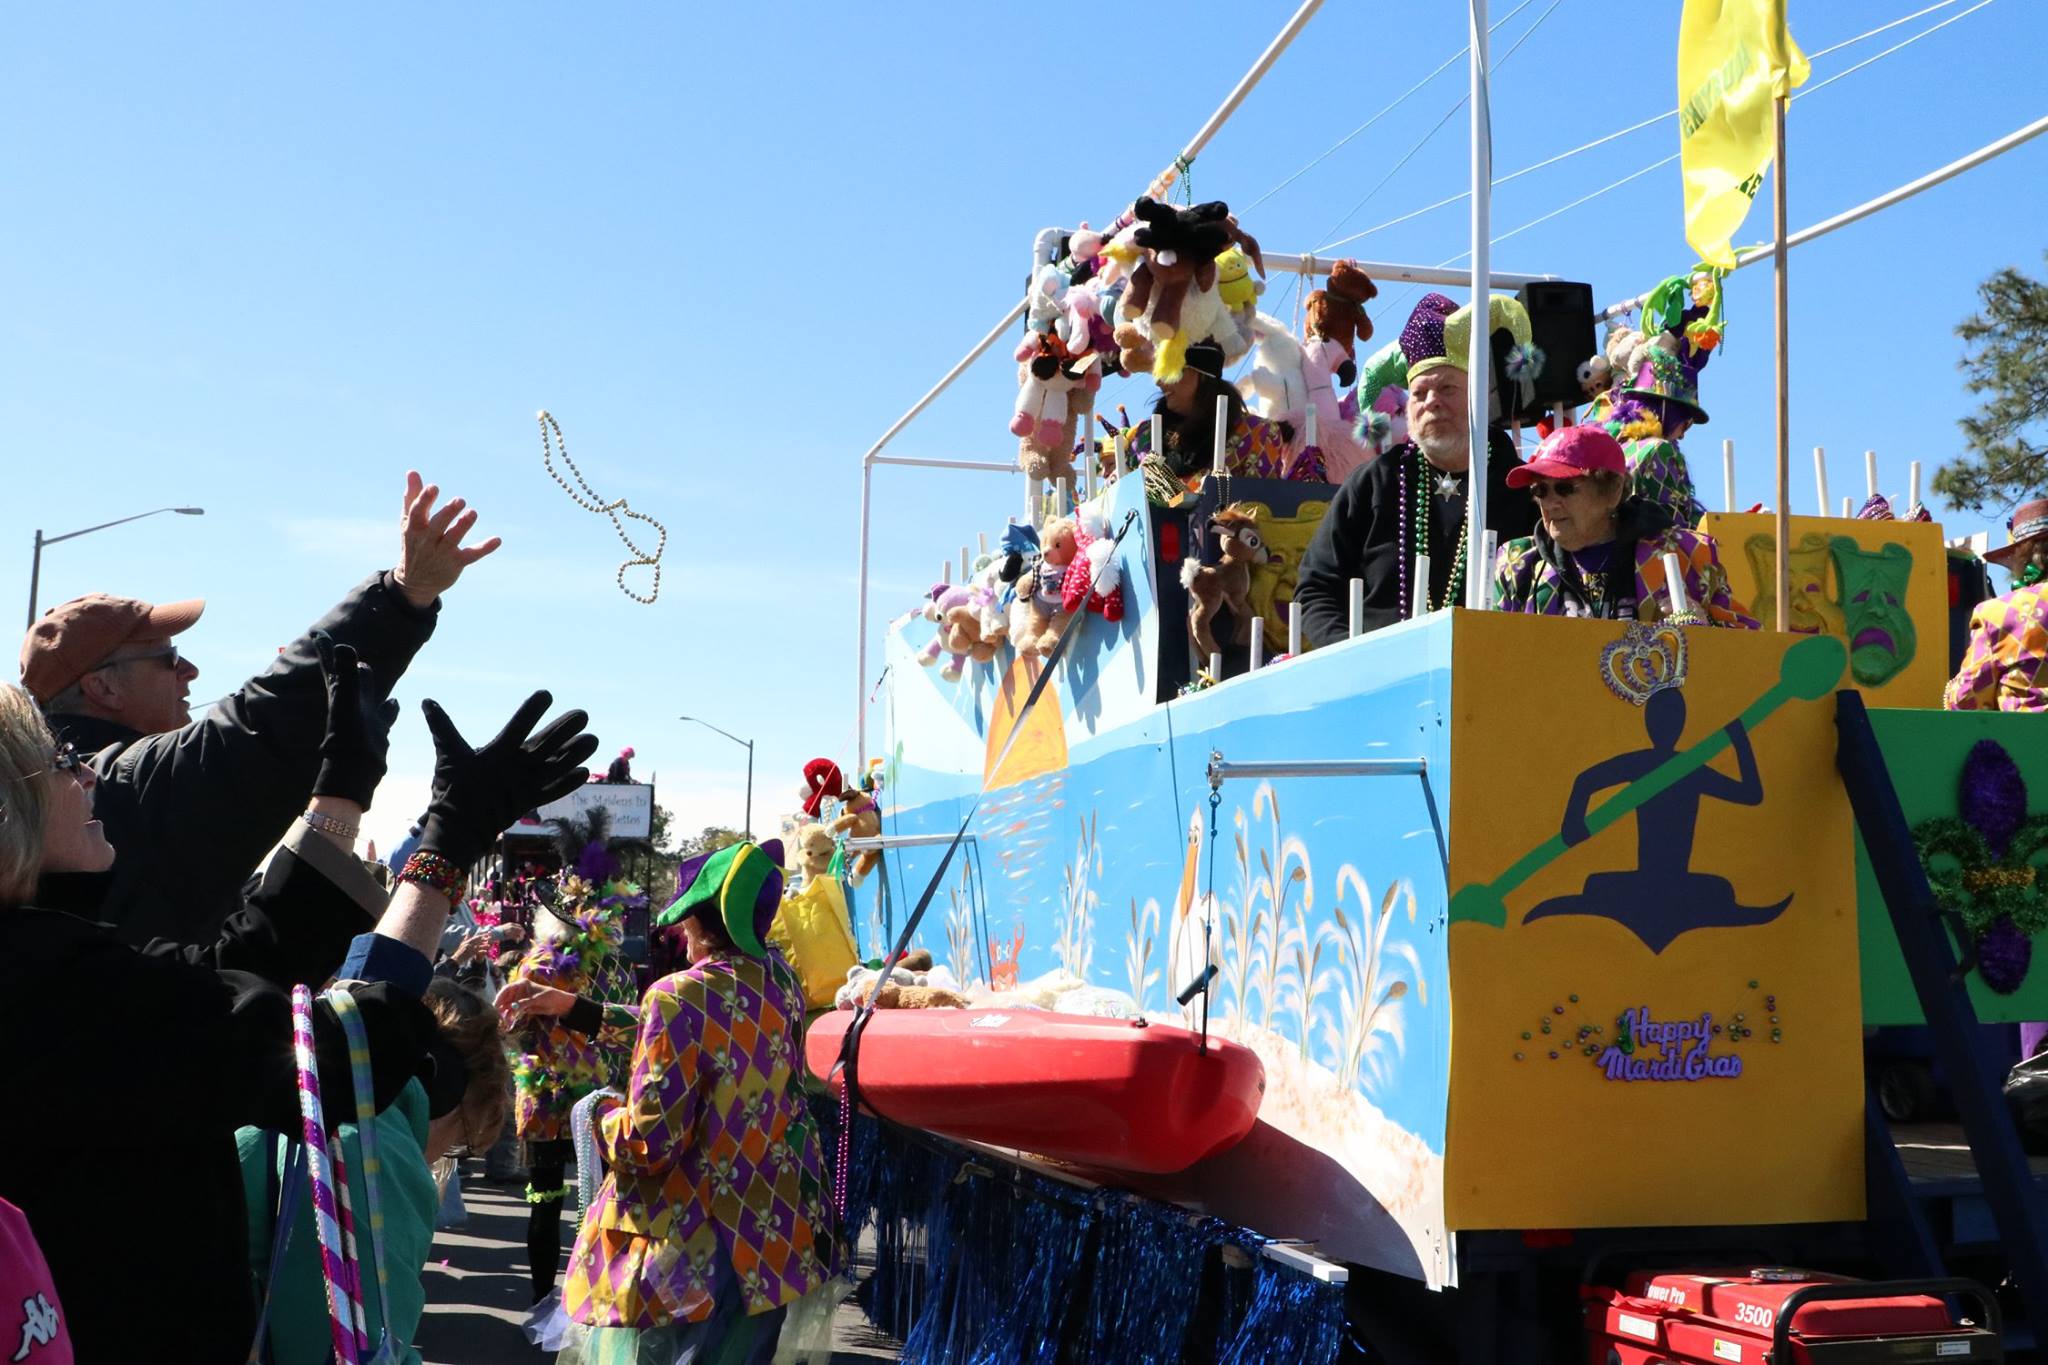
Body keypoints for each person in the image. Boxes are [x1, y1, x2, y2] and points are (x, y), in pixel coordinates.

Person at [19, 471, 500, 945]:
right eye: (168, 659)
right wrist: (402, 593)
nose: (189, 671)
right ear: (103, 687)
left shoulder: (48, 798)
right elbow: (263, 722)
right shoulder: (119, 783)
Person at [510, 838, 834, 1364]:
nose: (679, 931)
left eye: (686, 919)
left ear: (705, 923)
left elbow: (648, 1142)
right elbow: (716, 1039)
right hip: (774, 1238)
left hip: (695, 1252)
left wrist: (596, 1115)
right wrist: (577, 1009)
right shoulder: (780, 980)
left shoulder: (677, 996)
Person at [237, 978, 513, 1365]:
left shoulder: (307, 1094)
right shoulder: (376, 1150)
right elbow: (355, 1349)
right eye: (459, 1143)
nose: (438, 1159)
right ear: (448, 1093)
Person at [1294, 295, 1540, 645]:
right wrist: (1349, 657)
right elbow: (1316, 587)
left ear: (1481, 395)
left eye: (1447, 388)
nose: (1431, 402)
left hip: (1492, 675)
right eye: (1419, 393)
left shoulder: (1525, 488)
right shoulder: (1373, 483)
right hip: (1382, 680)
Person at [503, 871, 642, 1304]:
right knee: (603, 1204)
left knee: (544, 1200)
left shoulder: (540, 964)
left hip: (548, 1097)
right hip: (603, 1100)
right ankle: (593, 1305)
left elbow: (514, 1028)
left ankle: (543, 1303)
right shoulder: (618, 964)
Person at [1490, 426, 1757, 626]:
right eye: (1540, 491)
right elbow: (1489, 653)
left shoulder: (1688, 554)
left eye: (1564, 488)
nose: (1550, 503)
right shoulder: (1518, 566)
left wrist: (1707, 629)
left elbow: (1748, 651)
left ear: (1612, 491)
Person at [1124, 339, 1313, 502]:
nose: (1159, 382)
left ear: (1200, 373)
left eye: (1169, 370)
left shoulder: (1257, 432)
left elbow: (1261, 509)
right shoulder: (1146, 436)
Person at [1946, 496, 2048, 712]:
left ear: (2022, 556)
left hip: (2027, 742)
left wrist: (1949, 691)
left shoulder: (1998, 613)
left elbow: (1966, 699)